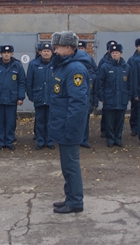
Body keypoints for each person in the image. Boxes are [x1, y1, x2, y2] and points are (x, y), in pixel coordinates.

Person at [49, 31, 90, 214]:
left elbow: (78, 103)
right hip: (62, 124)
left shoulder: (75, 69)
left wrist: (71, 129)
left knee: (71, 165)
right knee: (67, 165)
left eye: (56, 47)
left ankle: (75, 202)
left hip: (69, 127)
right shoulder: (64, 65)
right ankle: (70, 197)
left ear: (67, 47)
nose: (54, 51)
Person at [0, 45, 26, 151]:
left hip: (12, 99)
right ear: (1, 54)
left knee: (10, 122)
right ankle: (0, 142)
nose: (6, 54)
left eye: (8, 53)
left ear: (12, 54)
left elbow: (21, 83)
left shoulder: (17, 66)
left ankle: (9, 141)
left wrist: (20, 97)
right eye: (4, 53)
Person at [97, 43, 131, 148]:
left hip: (122, 98)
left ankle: (118, 138)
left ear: (121, 53)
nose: (115, 55)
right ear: (110, 54)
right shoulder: (105, 67)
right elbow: (100, 83)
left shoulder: (126, 67)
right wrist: (102, 97)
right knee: (109, 121)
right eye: (113, 53)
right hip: (109, 98)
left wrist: (128, 96)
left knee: (120, 121)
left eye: (117, 53)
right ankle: (110, 139)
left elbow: (130, 83)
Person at [26, 43, 55, 150]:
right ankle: (40, 141)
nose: (46, 53)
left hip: (52, 97)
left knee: (51, 120)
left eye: (48, 51)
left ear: (52, 52)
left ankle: (50, 141)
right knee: (40, 121)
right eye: (44, 51)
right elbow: (29, 81)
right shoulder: (33, 64)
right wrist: (30, 95)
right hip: (39, 96)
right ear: (40, 52)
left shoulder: (56, 64)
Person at [77, 40, 98, 148]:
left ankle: (84, 140)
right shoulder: (73, 63)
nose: (81, 50)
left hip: (87, 100)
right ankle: (76, 139)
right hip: (76, 100)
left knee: (85, 121)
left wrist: (95, 101)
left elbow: (95, 85)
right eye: (78, 48)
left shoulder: (90, 63)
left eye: (82, 48)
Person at [98, 40, 118, 138]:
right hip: (108, 92)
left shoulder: (119, 61)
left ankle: (113, 131)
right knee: (106, 113)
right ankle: (104, 130)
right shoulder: (104, 60)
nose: (114, 52)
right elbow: (100, 77)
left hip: (117, 92)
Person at [127, 38, 140, 137]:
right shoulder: (132, 59)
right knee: (135, 110)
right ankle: (134, 127)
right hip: (135, 87)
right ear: (136, 47)